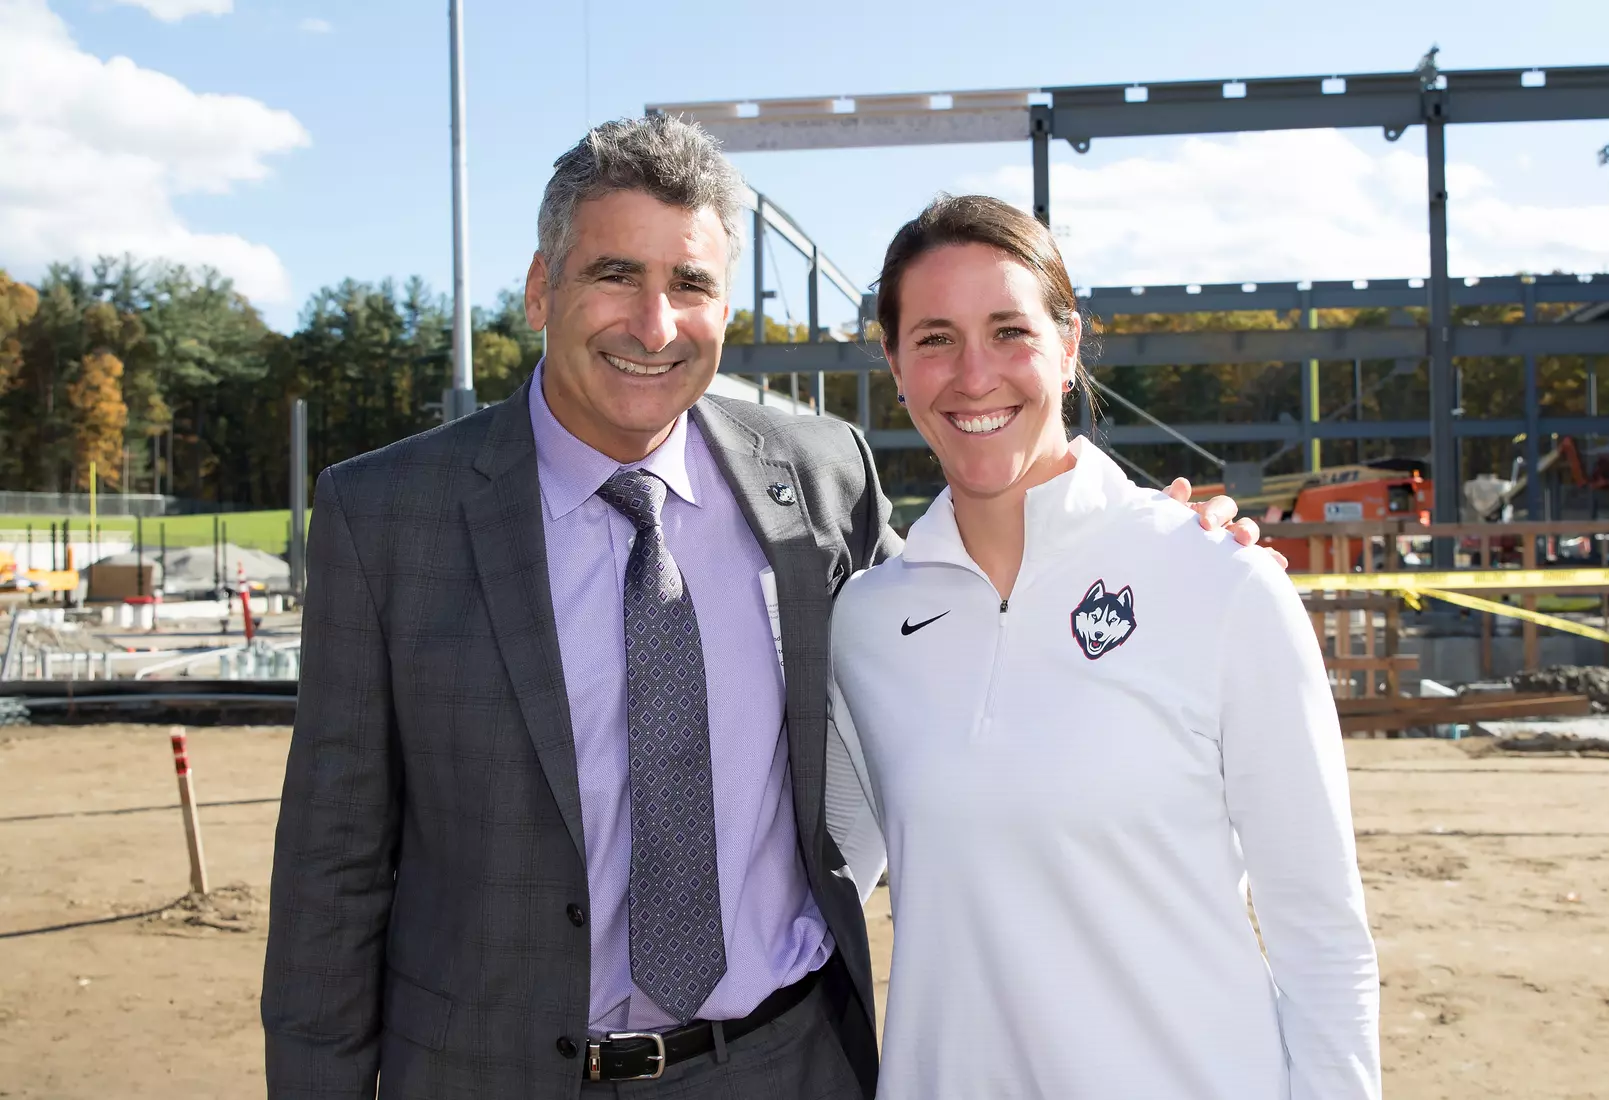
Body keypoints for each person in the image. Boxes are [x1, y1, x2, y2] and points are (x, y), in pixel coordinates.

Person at [261, 116, 1268, 1098]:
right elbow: (330, 874)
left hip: (786, 1062)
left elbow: (974, 627)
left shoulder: (819, 477)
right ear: (539, 287)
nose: (655, 325)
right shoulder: (388, 517)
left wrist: (1152, 545)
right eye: (616, 274)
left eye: (690, 284)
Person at [826, 194, 1381, 1099]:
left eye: (1009, 331)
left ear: (1068, 343)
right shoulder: (866, 623)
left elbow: (1322, 936)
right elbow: (819, 876)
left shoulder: (1221, 582)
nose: (974, 374)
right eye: (934, 339)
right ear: (894, 363)